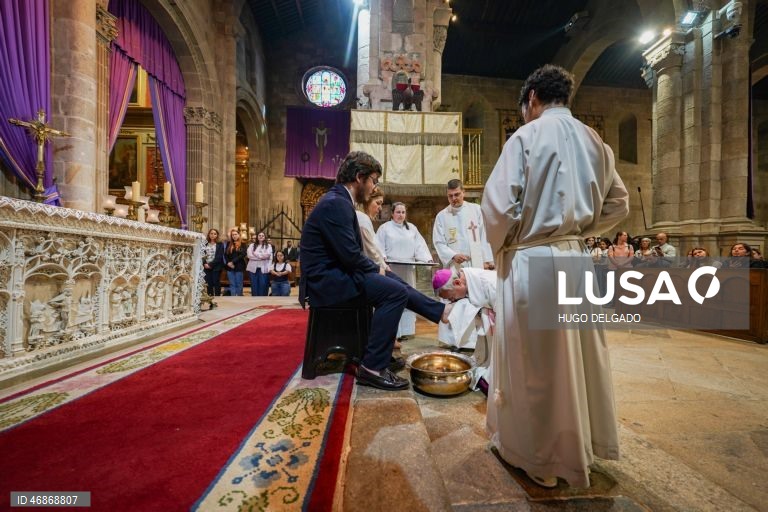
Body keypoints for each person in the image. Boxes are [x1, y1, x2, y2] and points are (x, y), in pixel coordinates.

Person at [481, 65, 628, 489]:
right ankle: (579, 449)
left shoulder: (524, 138)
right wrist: (580, 232)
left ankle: (540, 460)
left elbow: (497, 210)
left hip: (533, 259)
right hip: (576, 260)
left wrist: (511, 241)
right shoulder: (594, 141)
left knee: (538, 366)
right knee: (576, 360)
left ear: (531, 100)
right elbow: (619, 204)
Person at [299, 151, 451, 391]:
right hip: (327, 283)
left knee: (390, 279)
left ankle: (441, 311)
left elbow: (349, 254)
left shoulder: (340, 200)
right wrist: (374, 269)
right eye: (374, 181)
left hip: (334, 275)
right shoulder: (337, 203)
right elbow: (350, 255)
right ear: (360, 177)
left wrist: (377, 269)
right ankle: (371, 367)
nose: (374, 188)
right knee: (394, 292)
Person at [433, 267, 497, 394]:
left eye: (451, 297)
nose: (452, 301)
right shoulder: (467, 281)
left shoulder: (490, 284)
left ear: (457, 283)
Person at [375, 202, 434, 339]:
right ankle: (395, 331)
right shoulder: (385, 228)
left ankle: (406, 331)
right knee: (393, 297)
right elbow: (378, 246)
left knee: (408, 296)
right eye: (398, 212)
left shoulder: (411, 228)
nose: (401, 215)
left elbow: (420, 246)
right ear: (392, 213)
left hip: (408, 269)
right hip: (392, 268)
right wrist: (383, 260)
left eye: (403, 212)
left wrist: (427, 259)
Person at [433, 179, 495, 270]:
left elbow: (484, 235)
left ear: (463, 192)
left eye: (456, 194)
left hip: (477, 263)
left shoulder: (476, 210)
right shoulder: (441, 216)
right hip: (455, 265)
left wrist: (487, 260)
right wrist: (453, 255)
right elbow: (438, 242)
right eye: (450, 196)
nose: (453, 198)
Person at [357, 187, 389, 275]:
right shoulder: (362, 219)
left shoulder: (364, 218)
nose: (380, 208)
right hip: (368, 271)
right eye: (378, 203)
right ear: (367, 202)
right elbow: (369, 251)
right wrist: (384, 267)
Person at [247, 232, 272, 296]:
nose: (261, 236)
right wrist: (261, 257)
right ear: (257, 237)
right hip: (253, 268)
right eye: (259, 235)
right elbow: (249, 256)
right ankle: (255, 301)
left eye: (262, 235)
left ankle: (262, 301)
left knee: (263, 285)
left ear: (265, 237)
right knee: (254, 285)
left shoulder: (268, 246)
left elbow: (267, 255)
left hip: (263, 268)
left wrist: (255, 254)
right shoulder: (251, 245)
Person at [202, 228, 225, 298]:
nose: (212, 235)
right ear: (209, 234)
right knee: (209, 283)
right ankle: (210, 297)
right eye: (211, 233)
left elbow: (219, 256)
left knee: (216, 282)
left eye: (215, 234)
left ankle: (218, 297)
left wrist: (210, 264)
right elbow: (202, 254)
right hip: (206, 266)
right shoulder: (205, 244)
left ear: (217, 235)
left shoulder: (220, 244)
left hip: (216, 266)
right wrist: (205, 263)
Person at [224, 229, 247, 296]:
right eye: (232, 235)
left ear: (239, 235)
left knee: (239, 284)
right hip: (230, 267)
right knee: (232, 284)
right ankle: (233, 298)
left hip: (239, 266)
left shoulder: (243, 244)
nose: (234, 236)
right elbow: (225, 254)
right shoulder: (229, 243)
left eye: (235, 234)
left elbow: (243, 254)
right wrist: (228, 263)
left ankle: (239, 299)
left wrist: (232, 262)